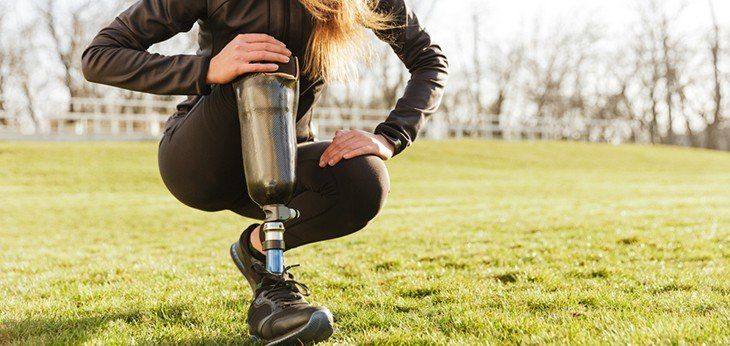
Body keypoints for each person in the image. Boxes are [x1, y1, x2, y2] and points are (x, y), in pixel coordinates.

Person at [82, 0, 447, 344]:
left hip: (282, 162)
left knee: (364, 179)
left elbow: (429, 61)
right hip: (200, 161)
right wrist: (207, 69)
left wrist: (390, 137)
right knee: (266, 60)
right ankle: (272, 281)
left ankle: (262, 262)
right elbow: (99, 57)